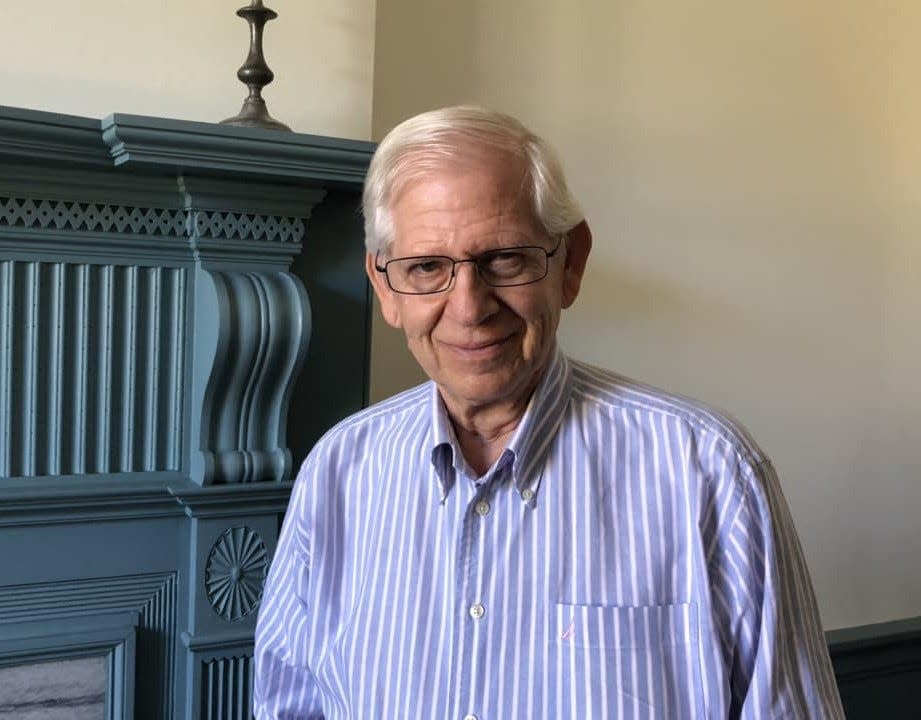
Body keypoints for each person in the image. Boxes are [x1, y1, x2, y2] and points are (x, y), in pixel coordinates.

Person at [253, 105, 844, 719]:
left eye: (504, 258)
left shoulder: (711, 472)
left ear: (571, 263)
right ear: (385, 288)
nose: (469, 307)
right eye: (427, 267)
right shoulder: (338, 472)